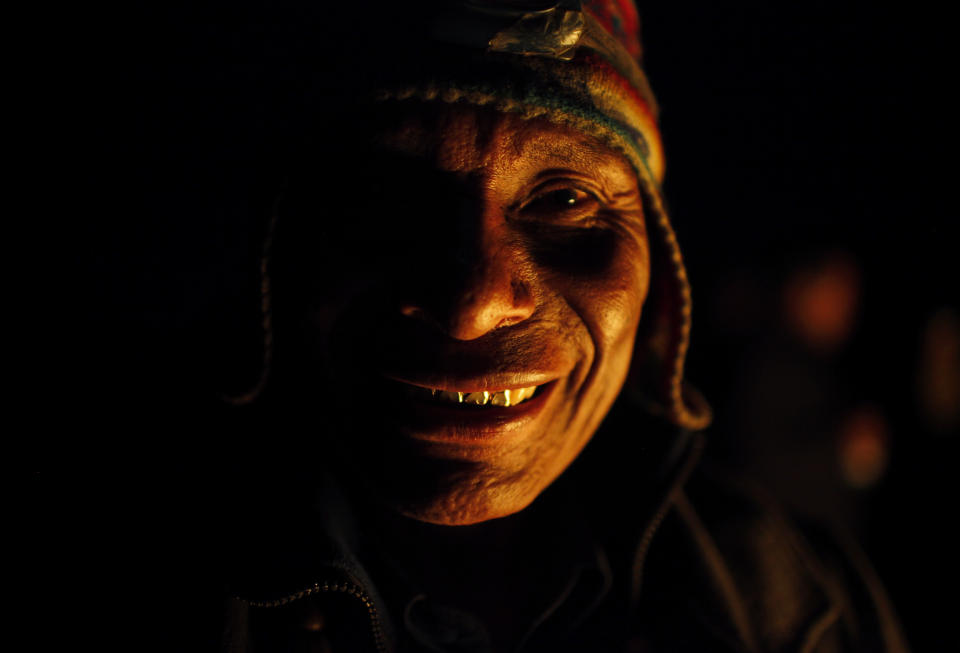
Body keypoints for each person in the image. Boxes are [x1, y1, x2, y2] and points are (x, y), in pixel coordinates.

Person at [194, 2, 909, 651]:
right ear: (280, 251)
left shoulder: (805, 601)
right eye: (387, 196)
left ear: (659, 279)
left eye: (565, 198)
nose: (472, 305)